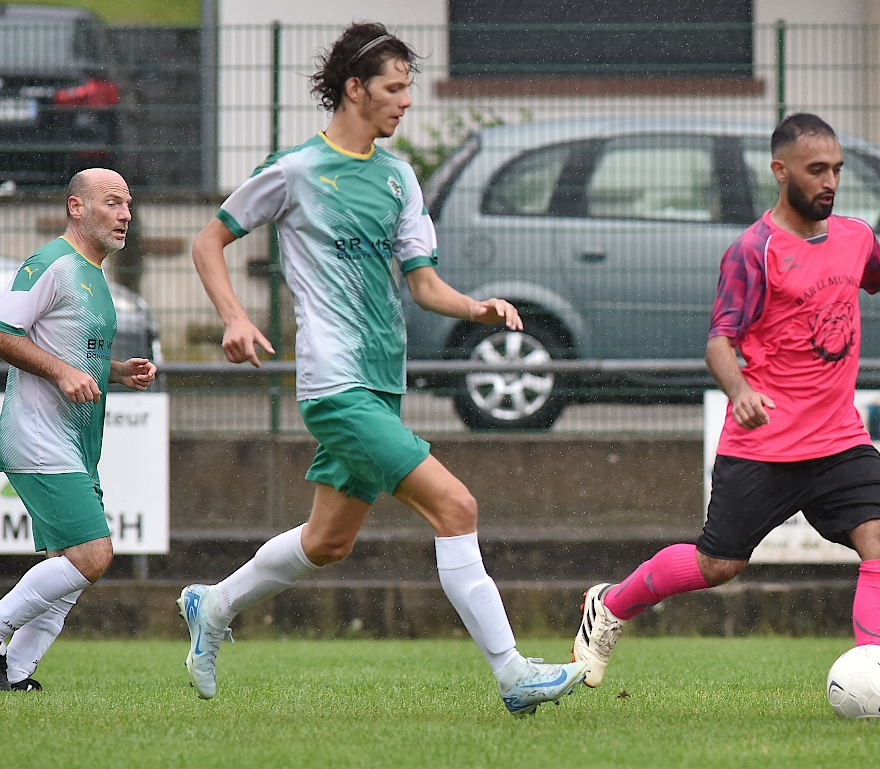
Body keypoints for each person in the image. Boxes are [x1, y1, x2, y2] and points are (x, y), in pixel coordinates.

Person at [177, 22, 587, 717]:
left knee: (327, 541)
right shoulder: (297, 170)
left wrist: (476, 308)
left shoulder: (399, 178)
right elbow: (208, 240)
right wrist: (235, 317)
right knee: (456, 506)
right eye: (394, 88)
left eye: (408, 88)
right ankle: (513, 673)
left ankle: (212, 604)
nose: (406, 101)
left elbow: (423, 284)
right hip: (335, 386)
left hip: (381, 382)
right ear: (355, 88)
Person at [572, 113, 880, 719]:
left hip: (838, 439)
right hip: (764, 444)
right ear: (780, 171)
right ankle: (610, 604)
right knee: (719, 564)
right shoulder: (755, 250)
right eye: (816, 170)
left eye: (837, 170)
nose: (830, 182)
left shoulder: (855, 237)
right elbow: (719, 341)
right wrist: (740, 389)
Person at [0, 168, 157, 691]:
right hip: (36, 436)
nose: (125, 214)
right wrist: (62, 373)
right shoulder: (52, 263)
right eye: (112, 203)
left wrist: (117, 371)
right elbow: (3, 333)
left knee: (66, 567)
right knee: (92, 555)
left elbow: (73, 352)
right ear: (76, 207)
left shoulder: (94, 273)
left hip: (77, 441)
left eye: (127, 204)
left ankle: (15, 672)